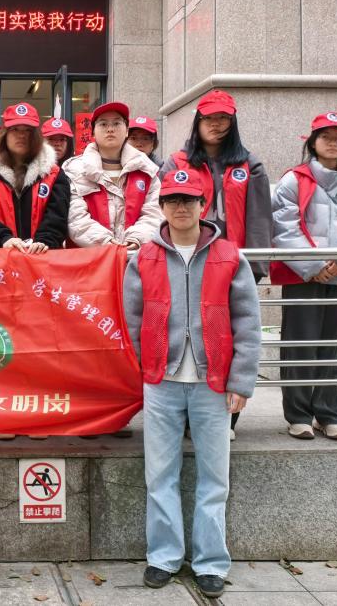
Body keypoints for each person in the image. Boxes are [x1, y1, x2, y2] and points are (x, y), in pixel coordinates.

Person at [124, 169, 260, 599]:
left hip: (212, 384)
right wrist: (143, 368)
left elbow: (248, 323)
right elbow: (131, 320)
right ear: (162, 207)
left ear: (203, 206)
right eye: (172, 200)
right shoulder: (144, 257)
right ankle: (163, 557)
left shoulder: (229, 256)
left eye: (189, 199)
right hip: (162, 383)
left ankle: (210, 563)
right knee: (159, 475)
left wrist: (241, 381)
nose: (181, 207)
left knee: (214, 478)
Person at [159, 89, 271, 439]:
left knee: (228, 338)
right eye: (209, 118)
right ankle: (186, 418)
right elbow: (160, 213)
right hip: (186, 262)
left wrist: (255, 267)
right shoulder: (176, 163)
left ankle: (227, 418)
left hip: (231, 265)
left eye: (223, 118)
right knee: (188, 336)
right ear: (198, 121)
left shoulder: (249, 165)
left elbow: (260, 218)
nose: (216, 125)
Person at [271, 112, 337, 440]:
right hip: (303, 278)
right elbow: (283, 226)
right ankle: (299, 415)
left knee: (334, 345)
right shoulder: (294, 180)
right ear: (312, 142)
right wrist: (315, 265)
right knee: (300, 345)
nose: (332, 143)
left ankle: (330, 413)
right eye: (325, 136)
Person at [0, 102, 70, 253]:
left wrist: (44, 240)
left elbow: (58, 216)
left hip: (41, 258)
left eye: (28, 130)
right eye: (15, 129)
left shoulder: (54, 174)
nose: (21, 135)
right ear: (5, 133)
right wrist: (4, 238)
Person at [63, 101, 163, 252]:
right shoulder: (74, 170)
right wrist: (106, 242)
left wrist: (136, 239)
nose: (110, 129)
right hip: (89, 258)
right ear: (93, 132)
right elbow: (75, 218)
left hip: (135, 257)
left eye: (116, 123)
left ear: (127, 130)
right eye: (103, 124)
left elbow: (154, 213)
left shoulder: (147, 171)